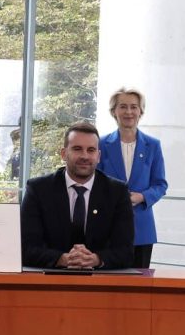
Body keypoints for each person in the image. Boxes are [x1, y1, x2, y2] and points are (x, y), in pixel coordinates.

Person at [21, 121, 134, 269]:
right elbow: (26, 248)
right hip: (49, 279)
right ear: (63, 153)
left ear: (98, 156)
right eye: (77, 149)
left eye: (91, 150)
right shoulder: (38, 189)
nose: (84, 156)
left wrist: (95, 259)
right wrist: (63, 259)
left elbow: (126, 251)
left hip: (101, 281)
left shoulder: (117, 192)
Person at [98, 87, 168, 268]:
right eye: (123, 106)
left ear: (140, 111)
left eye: (134, 107)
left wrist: (142, 197)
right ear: (114, 111)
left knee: (140, 286)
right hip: (107, 227)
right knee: (108, 284)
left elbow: (160, 184)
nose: (128, 112)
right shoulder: (101, 144)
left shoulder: (153, 145)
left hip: (142, 230)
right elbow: (94, 181)